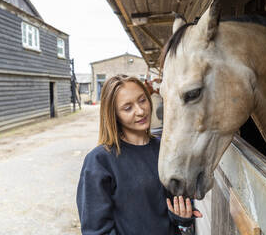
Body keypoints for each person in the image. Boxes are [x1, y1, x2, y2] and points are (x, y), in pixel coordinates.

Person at [76, 74, 202, 235]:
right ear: (114, 115)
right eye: (128, 108)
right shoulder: (100, 161)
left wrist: (183, 219)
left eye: (142, 100)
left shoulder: (167, 150)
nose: (140, 111)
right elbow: (95, 230)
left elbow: (178, 212)